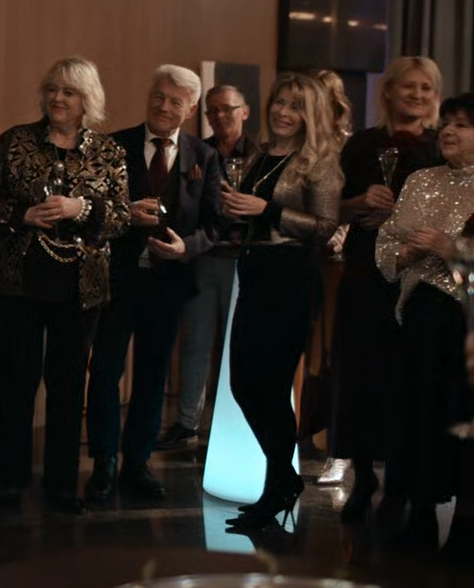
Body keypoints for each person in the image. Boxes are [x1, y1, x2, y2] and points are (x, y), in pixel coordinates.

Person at [0, 56, 130, 514]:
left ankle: (62, 484)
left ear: (87, 100)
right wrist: (21, 214)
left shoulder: (108, 151)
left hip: (80, 288)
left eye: (68, 92)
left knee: (67, 388)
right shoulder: (15, 141)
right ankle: (10, 478)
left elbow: (121, 217)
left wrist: (81, 209)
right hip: (17, 283)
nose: (57, 98)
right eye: (52, 89)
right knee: (16, 383)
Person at [84, 65, 224, 503]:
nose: (163, 106)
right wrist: (123, 213)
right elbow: (92, 205)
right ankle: (103, 462)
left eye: (174, 101)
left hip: (170, 283)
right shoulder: (115, 145)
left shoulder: (204, 156)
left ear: (191, 108)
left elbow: (215, 225)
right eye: (158, 96)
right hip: (116, 278)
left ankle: (137, 462)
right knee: (105, 371)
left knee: (153, 375)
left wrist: (186, 248)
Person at [221, 72, 342, 532]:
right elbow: (251, 212)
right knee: (243, 384)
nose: (283, 112)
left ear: (309, 114)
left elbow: (325, 227)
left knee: (269, 386)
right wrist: (236, 211)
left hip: (290, 276)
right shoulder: (260, 153)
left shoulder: (319, 161)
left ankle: (278, 485)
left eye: (294, 106)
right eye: (279, 103)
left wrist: (268, 211)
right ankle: (283, 480)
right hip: (254, 269)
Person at [323, 58, 443, 520]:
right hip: (364, 276)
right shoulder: (360, 145)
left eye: (426, 88)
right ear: (388, 91)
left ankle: (398, 483)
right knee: (358, 377)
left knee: (406, 383)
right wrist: (358, 202)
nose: (417, 95)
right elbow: (330, 209)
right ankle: (362, 477)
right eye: (408, 86)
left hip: (418, 280)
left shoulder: (441, 147)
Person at [375, 93, 474, 552]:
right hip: (422, 314)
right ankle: (417, 511)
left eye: (463, 125)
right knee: (415, 415)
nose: (449, 131)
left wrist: (451, 250)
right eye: (447, 123)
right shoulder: (420, 180)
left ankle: (465, 524)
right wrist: (403, 253)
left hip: (466, 319)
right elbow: (386, 243)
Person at [158, 85, 253, 450]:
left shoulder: (261, 154)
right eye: (212, 111)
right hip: (203, 256)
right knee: (195, 341)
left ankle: (236, 422)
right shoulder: (197, 151)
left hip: (244, 260)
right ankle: (187, 422)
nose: (220, 116)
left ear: (244, 111)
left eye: (227, 109)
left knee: (238, 346)